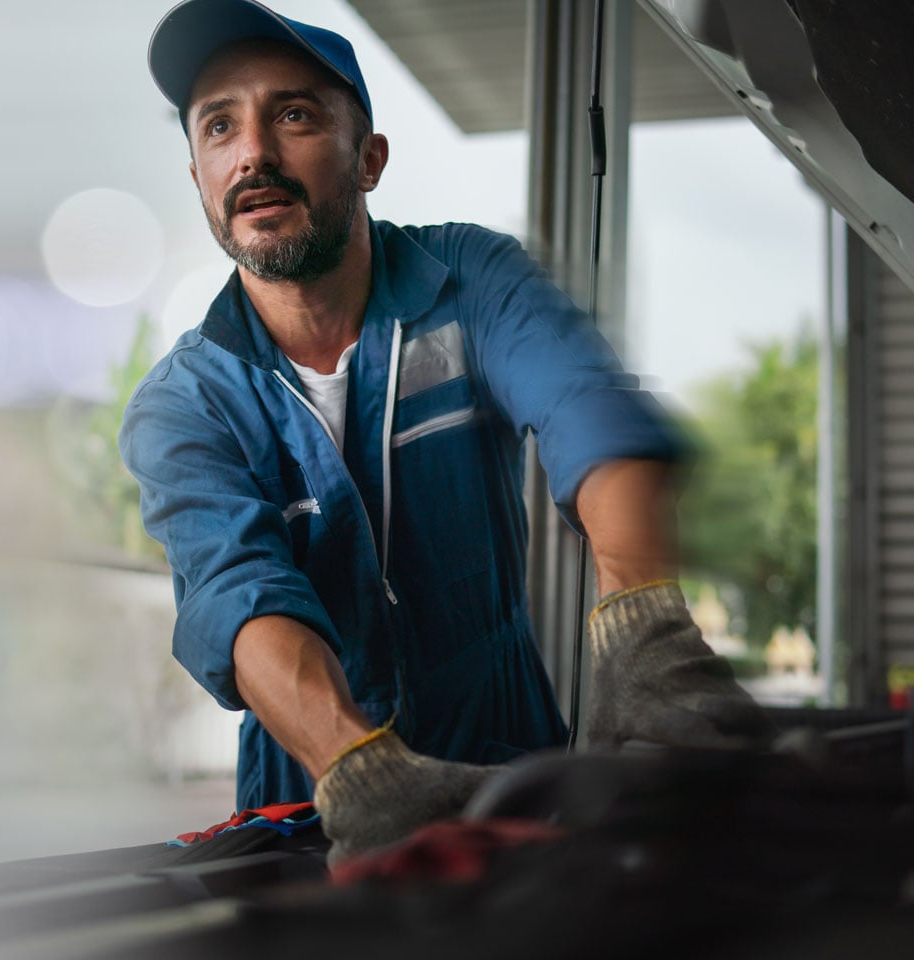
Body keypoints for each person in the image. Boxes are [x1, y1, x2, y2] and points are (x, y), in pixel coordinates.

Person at [121, 0, 771, 863]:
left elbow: (589, 408)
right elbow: (236, 591)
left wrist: (644, 627)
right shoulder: (185, 404)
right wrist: (357, 772)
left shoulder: (470, 280)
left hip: (514, 775)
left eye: (294, 114)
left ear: (370, 159)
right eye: (218, 127)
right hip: (314, 809)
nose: (254, 155)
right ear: (201, 176)